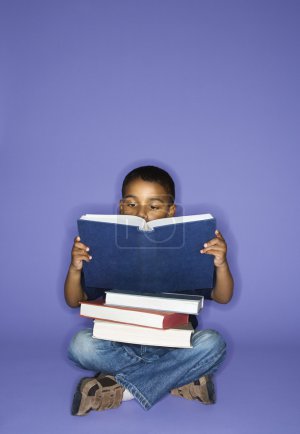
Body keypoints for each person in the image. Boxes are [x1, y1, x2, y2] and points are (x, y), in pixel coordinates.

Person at [64, 165, 234, 415]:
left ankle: (120, 389)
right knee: (80, 345)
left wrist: (221, 264)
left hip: (175, 344)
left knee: (213, 343)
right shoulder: (108, 247)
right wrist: (75, 268)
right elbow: (73, 300)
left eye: (154, 206)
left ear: (170, 211)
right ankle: (179, 378)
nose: (142, 213)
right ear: (121, 207)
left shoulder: (190, 248)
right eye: (132, 204)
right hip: (121, 345)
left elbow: (223, 296)